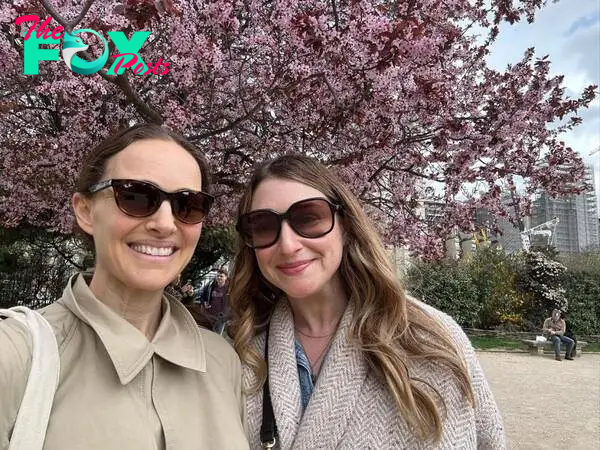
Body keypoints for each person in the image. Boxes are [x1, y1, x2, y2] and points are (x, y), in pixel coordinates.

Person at [229, 155, 506, 449]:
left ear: (345, 226)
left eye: (309, 218)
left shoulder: (429, 338)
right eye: (263, 226)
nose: (287, 244)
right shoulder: (244, 353)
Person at [0, 124, 248, 449]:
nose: (164, 223)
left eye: (187, 204)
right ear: (85, 211)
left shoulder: (221, 361)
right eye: (135, 196)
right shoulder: (16, 356)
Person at [199, 268, 230, 334]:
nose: (219, 277)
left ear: (226, 277)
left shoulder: (230, 288)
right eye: (217, 276)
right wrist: (204, 302)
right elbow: (202, 297)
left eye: (221, 276)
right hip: (209, 315)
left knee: (217, 335)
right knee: (206, 332)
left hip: (221, 317)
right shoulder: (210, 286)